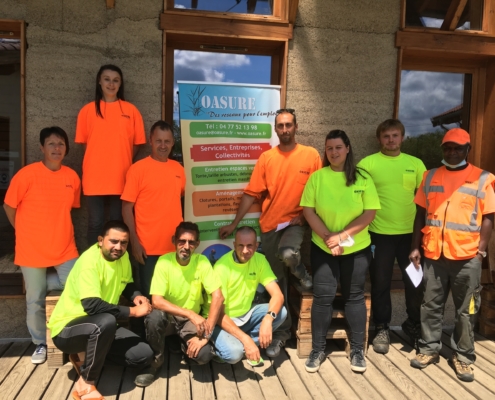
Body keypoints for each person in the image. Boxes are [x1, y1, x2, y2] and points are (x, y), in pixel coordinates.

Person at [219, 108, 321, 356]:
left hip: (296, 224)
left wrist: (307, 216)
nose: (285, 130)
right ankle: (281, 335)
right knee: (276, 284)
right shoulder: (267, 158)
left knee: (288, 254)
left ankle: (303, 274)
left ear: (296, 127)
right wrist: (234, 224)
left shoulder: (311, 155)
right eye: (280, 126)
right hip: (270, 227)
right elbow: (251, 194)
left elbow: (321, 190)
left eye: (289, 125)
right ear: (275, 129)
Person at [409, 128, 495, 382]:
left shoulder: (482, 178)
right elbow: (419, 215)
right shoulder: (430, 176)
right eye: (448, 148)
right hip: (434, 254)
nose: (452, 152)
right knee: (430, 305)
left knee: (466, 310)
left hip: (467, 257)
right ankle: (428, 349)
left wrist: (481, 251)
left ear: (467, 149)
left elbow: (488, 217)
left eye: (458, 148)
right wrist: (416, 247)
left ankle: (463, 356)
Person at [301, 130, 380, 373]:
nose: (333, 152)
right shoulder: (317, 178)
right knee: (322, 298)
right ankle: (317, 349)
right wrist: (329, 238)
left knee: (354, 296)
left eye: (338, 147)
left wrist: (342, 236)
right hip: (324, 247)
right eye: (329, 148)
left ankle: (357, 349)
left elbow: (370, 213)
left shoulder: (363, 178)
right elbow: (308, 210)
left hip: (356, 248)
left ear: (347, 148)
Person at [47, 220, 153, 400]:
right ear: (100, 240)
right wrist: (133, 312)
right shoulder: (90, 262)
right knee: (106, 321)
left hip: (102, 326)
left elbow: (127, 282)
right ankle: (86, 383)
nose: (118, 247)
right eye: (113, 241)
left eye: (124, 243)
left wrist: (136, 296)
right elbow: (92, 305)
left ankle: (86, 359)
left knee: (144, 354)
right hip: (67, 330)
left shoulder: (122, 257)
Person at [3, 126, 80, 365]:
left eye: (61, 144)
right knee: (34, 301)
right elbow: (9, 206)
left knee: (76, 285)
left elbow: (70, 210)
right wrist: (23, 231)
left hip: (65, 247)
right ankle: (40, 344)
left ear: (66, 148)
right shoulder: (26, 175)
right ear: (41, 147)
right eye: (51, 144)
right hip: (31, 249)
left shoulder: (72, 177)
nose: (57, 148)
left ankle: (72, 338)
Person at [357, 119, 426, 354]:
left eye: (395, 135)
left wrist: (419, 238)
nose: (391, 140)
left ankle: (414, 325)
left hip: (411, 237)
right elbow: (358, 199)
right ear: (379, 139)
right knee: (380, 283)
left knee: (415, 283)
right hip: (378, 235)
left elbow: (424, 203)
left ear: (403, 137)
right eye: (386, 136)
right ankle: (382, 327)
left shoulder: (416, 164)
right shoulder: (368, 164)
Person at [135, 222, 224, 387]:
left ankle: (183, 346)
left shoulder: (202, 261)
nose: (186, 246)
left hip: (190, 323)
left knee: (203, 356)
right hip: (168, 318)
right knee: (154, 316)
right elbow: (157, 301)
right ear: (174, 241)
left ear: (197, 244)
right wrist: (190, 314)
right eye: (182, 241)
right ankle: (155, 362)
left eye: (191, 242)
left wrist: (206, 336)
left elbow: (218, 297)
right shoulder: (164, 262)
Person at [76, 64, 146, 246]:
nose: (111, 84)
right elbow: (85, 144)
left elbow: (138, 143)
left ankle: (116, 264)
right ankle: (92, 266)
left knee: (117, 224)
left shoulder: (131, 111)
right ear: (99, 81)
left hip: (121, 178)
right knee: (95, 223)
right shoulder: (87, 111)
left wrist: (122, 160)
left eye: (116, 80)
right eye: (107, 79)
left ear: (120, 84)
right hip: (93, 178)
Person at [121, 120, 185, 298]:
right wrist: (134, 242)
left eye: (167, 141)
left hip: (174, 248)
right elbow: (126, 208)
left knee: (172, 297)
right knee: (149, 300)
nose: (163, 145)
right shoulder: (137, 170)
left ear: (173, 142)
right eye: (159, 141)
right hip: (147, 250)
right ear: (151, 140)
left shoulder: (179, 169)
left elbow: (176, 198)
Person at [205, 226, 287, 364]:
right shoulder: (221, 267)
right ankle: (240, 344)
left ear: (256, 245)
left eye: (250, 246)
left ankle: (244, 343)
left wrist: (268, 319)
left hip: (245, 316)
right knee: (234, 355)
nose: (245, 251)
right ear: (234, 245)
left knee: (280, 312)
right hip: (221, 320)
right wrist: (246, 339)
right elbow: (218, 314)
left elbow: (277, 295)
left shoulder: (260, 260)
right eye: (240, 246)